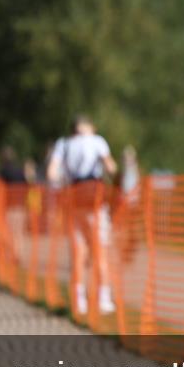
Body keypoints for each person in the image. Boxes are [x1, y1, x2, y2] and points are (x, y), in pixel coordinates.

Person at [47, 115, 118, 315]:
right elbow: (111, 167)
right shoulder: (97, 141)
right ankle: (103, 299)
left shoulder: (64, 144)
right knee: (99, 252)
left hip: (73, 200)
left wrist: (64, 183)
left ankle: (79, 301)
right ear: (90, 126)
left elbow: (52, 173)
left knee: (78, 253)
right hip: (94, 203)